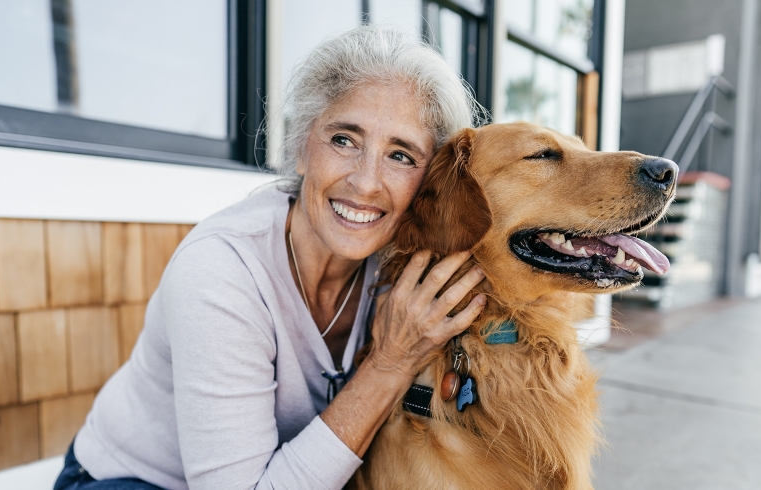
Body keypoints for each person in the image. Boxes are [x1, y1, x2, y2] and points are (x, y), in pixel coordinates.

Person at [54, 26, 488, 490]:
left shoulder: (397, 261)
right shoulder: (220, 271)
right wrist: (391, 362)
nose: (365, 183)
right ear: (302, 147)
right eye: (344, 139)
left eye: (401, 155)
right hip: (131, 478)